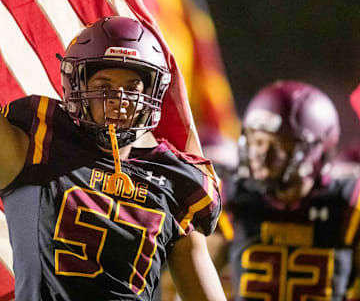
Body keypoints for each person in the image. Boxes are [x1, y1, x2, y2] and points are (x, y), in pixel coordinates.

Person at [0, 16, 226, 301]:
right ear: (76, 85)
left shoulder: (175, 180)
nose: (119, 98)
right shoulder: (39, 143)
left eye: (132, 88)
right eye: (104, 85)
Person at [212, 80, 360, 301]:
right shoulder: (233, 199)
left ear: (317, 149)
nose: (261, 155)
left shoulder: (349, 205)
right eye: (257, 141)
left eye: (278, 144)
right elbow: (190, 282)